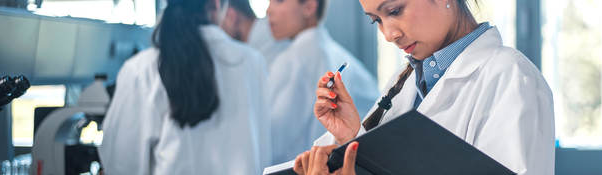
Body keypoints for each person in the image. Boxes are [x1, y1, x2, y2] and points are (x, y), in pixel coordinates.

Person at [294, 0, 555, 174]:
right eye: (377, 20)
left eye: (394, 11)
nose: (388, 34)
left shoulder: (512, 78)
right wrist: (350, 139)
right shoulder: (403, 82)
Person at [98, 0, 271, 174]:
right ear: (217, 4)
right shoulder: (253, 62)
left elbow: (121, 163)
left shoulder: (142, 69)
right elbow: (263, 150)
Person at [266, 0, 380, 164]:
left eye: (278, 1)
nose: (269, 10)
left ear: (309, 7)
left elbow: (273, 141)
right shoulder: (342, 58)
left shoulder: (293, 61)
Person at [220, 0, 291, 67]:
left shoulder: (271, 35)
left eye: (220, 26)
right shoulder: (262, 33)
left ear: (232, 16)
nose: (219, 32)